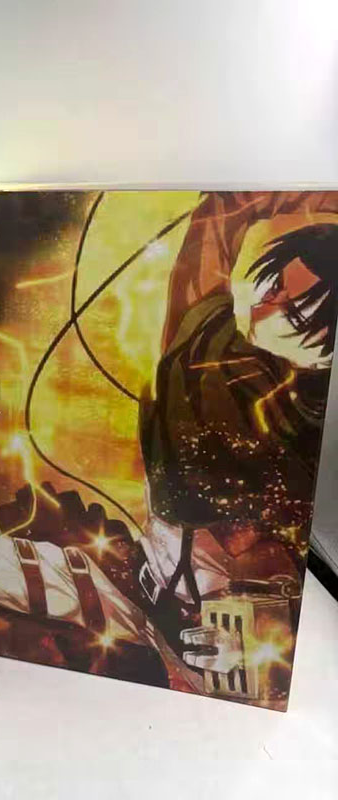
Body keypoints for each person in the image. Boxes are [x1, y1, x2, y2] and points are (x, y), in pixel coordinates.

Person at [137, 191, 338, 677]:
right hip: (166, 593)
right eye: (274, 287)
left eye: (293, 315)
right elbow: (228, 210)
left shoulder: (304, 430)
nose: (263, 310)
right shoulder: (206, 323)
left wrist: (269, 637)